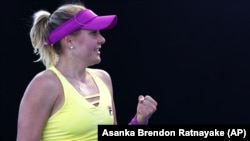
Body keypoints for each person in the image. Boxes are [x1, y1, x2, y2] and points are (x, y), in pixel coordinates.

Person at [17, 2, 158, 141]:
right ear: (69, 41)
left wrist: (139, 121)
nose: (102, 39)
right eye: (93, 33)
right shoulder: (44, 85)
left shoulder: (104, 78)